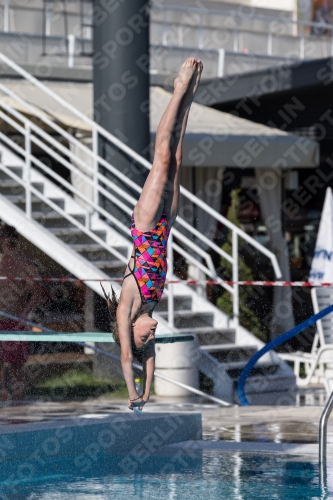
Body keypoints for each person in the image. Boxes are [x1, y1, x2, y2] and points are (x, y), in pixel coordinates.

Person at [101, 58, 203, 411]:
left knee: (160, 159)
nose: (152, 334)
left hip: (145, 227)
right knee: (176, 159)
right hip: (166, 228)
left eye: (146, 336)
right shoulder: (149, 310)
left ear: (131, 333)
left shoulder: (128, 308)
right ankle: (188, 99)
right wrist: (147, 394)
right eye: (151, 338)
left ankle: (177, 89)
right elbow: (148, 361)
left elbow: (128, 360)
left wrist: (132, 395)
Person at [0, 224, 47, 400]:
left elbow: (37, 292)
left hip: (15, 319)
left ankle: (18, 399)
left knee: (16, 364)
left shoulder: (23, 264)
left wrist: (25, 314)